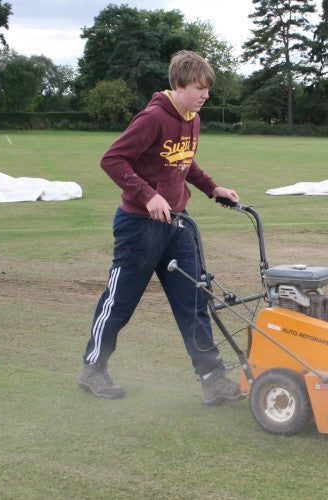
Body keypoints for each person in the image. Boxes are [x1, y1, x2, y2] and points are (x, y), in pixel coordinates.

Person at [77, 50, 244, 406]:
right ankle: (93, 369)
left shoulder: (192, 118)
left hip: (177, 226)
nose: (205, 95)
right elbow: (112, 159)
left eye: (207, 89)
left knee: (194, 301)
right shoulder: (153, 117)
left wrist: (213, 188)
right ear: (179, 85)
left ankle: (213, 379)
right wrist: (148, 195)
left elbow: (184, 162)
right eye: (199, 88)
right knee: (120, 301)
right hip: (139, 226)